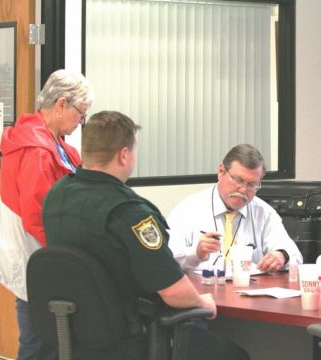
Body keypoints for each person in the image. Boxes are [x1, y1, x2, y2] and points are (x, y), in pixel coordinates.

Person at [42, 111, 249, 360]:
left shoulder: (57, 195)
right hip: (132, 340)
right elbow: (174, 292)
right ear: (124, 154)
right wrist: (203, 303)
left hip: (73, 336)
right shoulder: (130, 213)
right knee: (235, 356)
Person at [0, 69, 93, 360]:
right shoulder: (37, 150)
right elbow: (38, 215)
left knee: (45, 336)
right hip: (34, 249)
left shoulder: (49, 140)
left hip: (36, 251)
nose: (82, 121)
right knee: (38, 342)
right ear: (61, 104)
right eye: (81, 113)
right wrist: (71, 255)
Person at [166, 144, 303, 273]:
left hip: (250, 292)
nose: (243, 189)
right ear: (221, 172)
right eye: (238, 180)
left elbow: (295, 256)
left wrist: (281, 255)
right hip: (203, 292)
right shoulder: (188, 209)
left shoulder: (264, 213)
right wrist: (196, 253)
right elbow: (166, 259)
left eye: (252, 185)